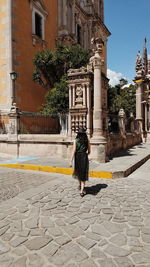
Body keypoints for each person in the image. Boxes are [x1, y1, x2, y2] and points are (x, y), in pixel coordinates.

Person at [69, 128, 91, 197]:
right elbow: (89, 151)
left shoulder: (75, 141)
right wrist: (85, 154)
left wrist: (70, 161)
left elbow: (73, 151)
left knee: (78, 172)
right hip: (84, 156)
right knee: (83, 173)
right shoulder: (87, 140)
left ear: (78, 134)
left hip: (77, 157)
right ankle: (82, 190)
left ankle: (80, 186)